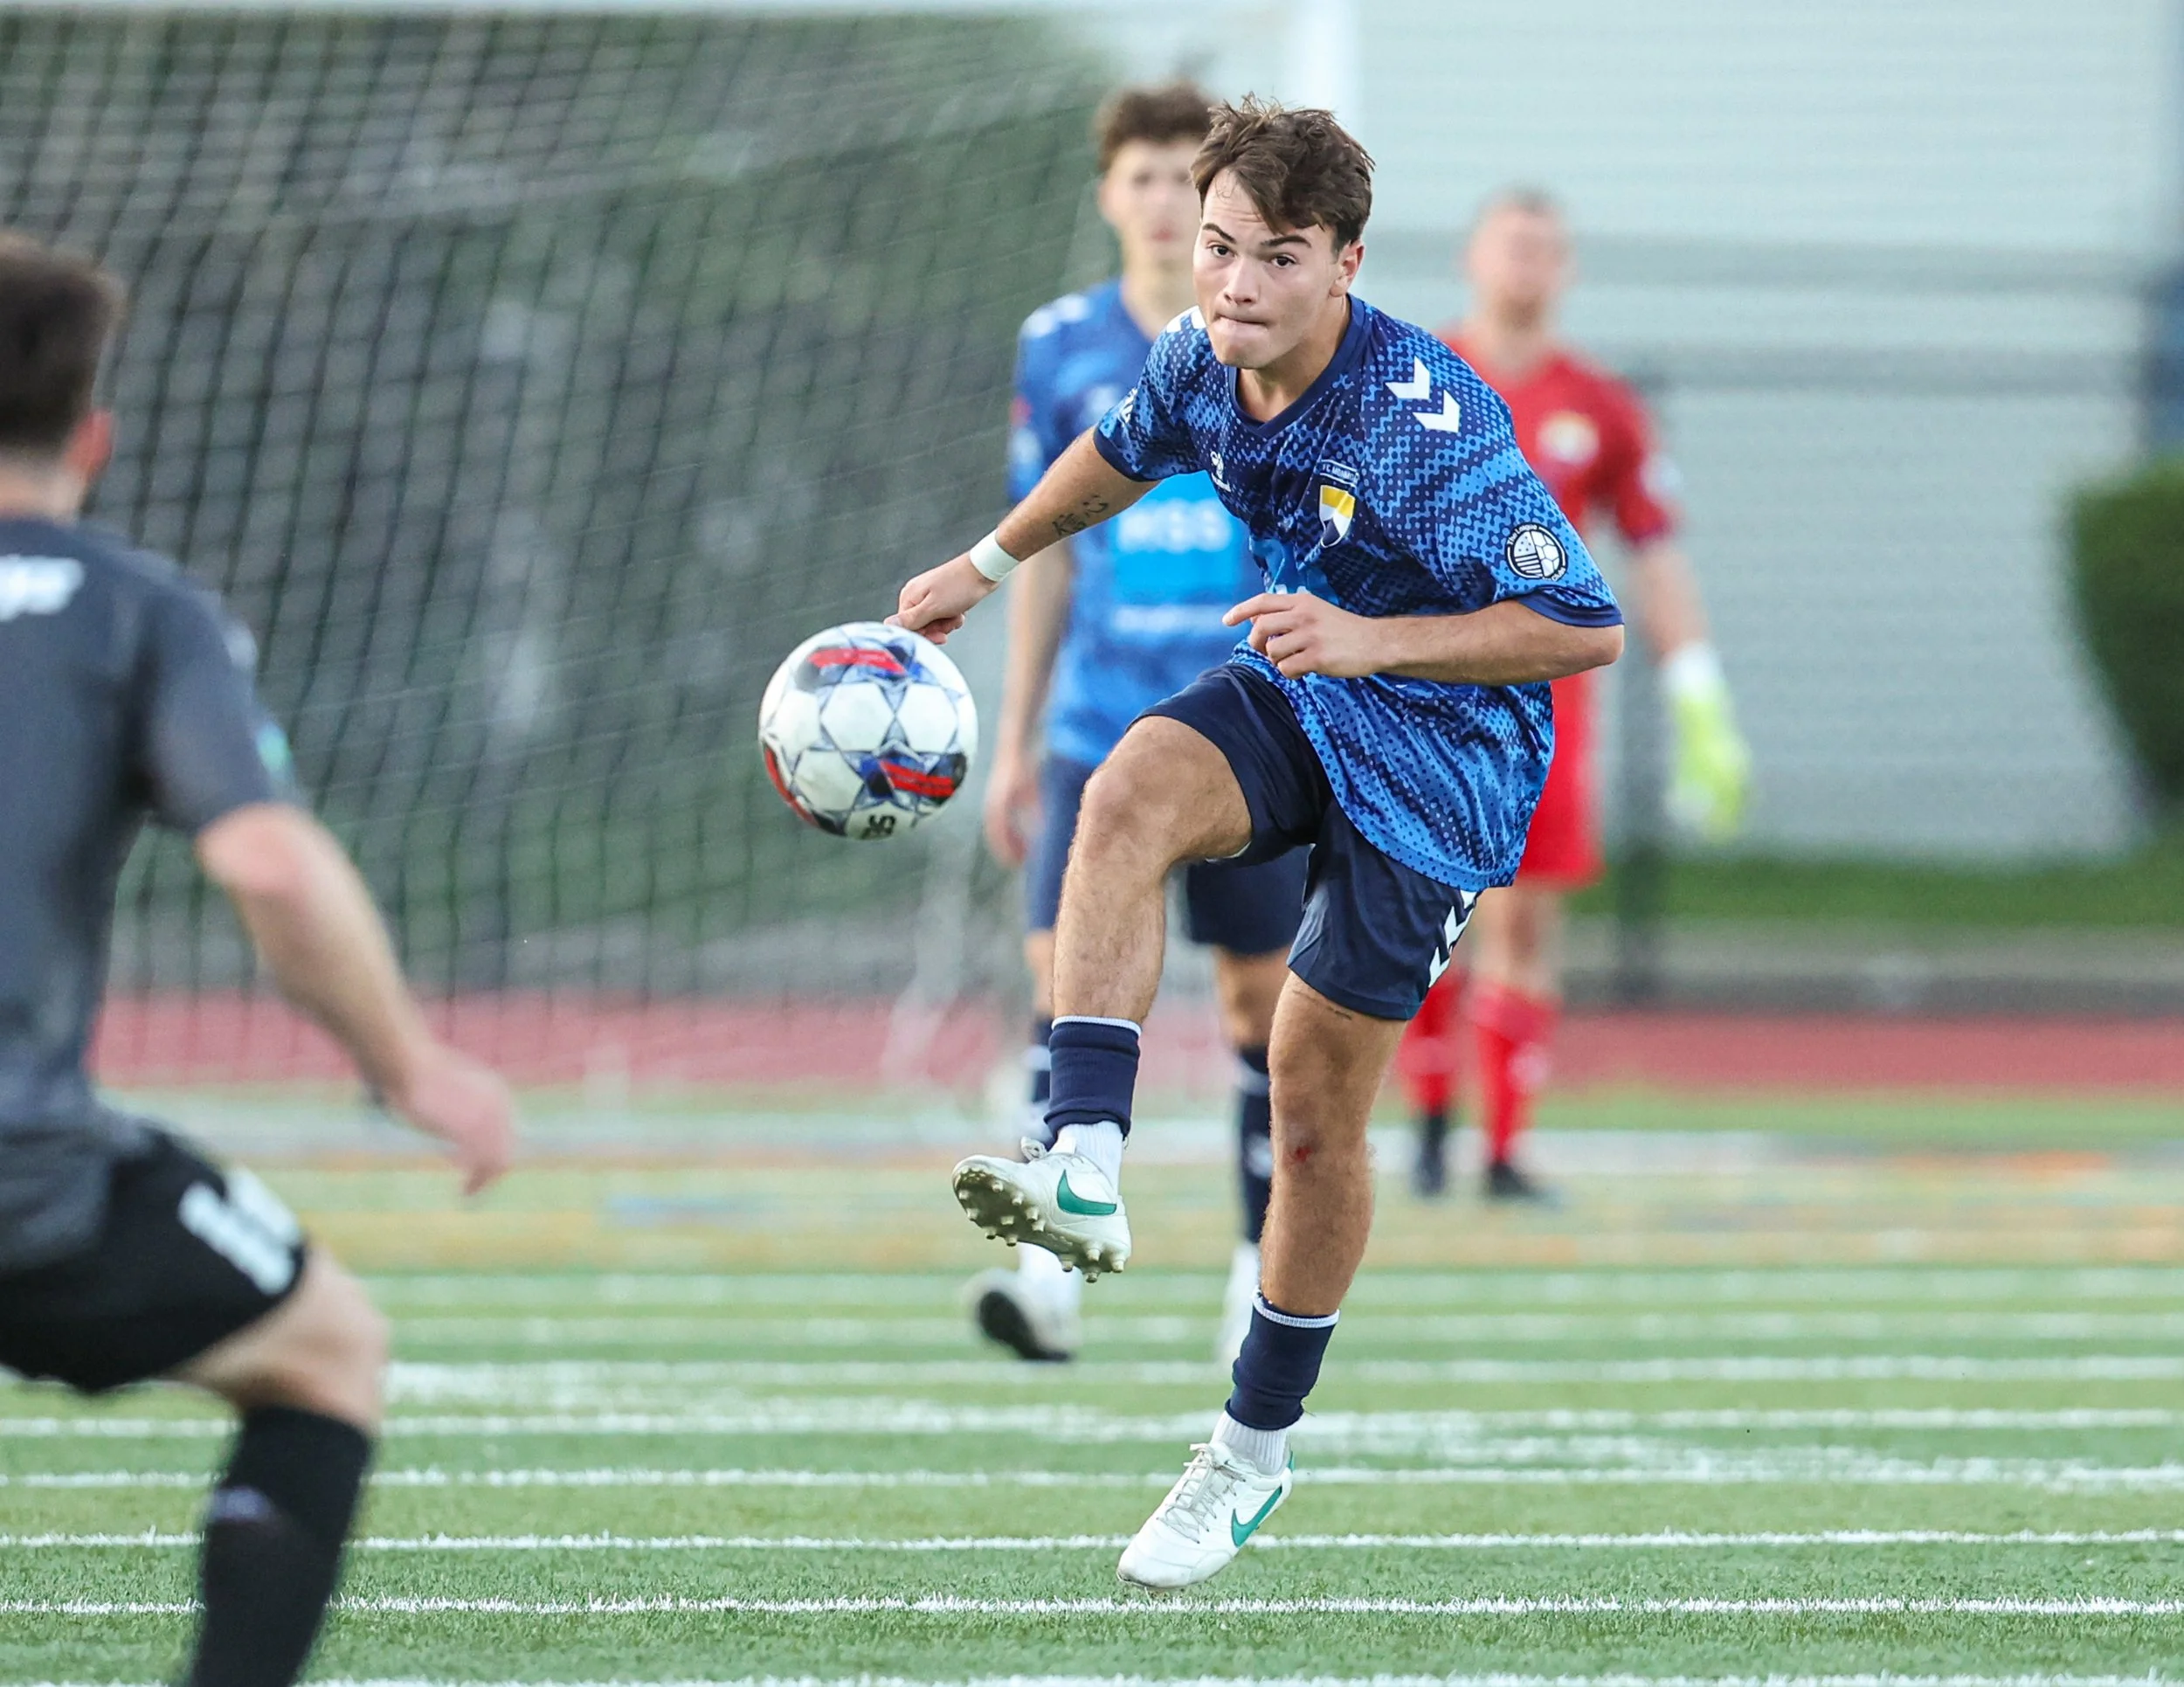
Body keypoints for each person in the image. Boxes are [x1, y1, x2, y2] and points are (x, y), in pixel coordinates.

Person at [892, 99, 1623, 1589]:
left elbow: (1581, 624)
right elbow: (1114, 453)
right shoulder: (1201, 359)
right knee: (1129, 794)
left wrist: (1373, 638)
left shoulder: (1428, 417)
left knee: (1308, 1106)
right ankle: (1084, 1152)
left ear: (1346, 263)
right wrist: (984, 565)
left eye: (1273, 258)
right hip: (1306, 689)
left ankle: (1249, 1454)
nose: (1229, 282)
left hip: (1444, 769)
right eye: (1219, 248)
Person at [0, 232, 517, 1687]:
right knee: (326, 1351)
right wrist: (410, 1067)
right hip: (23, 1179)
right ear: (92, 435)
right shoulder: (136, 612)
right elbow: (268, 861)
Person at [969, 81, 1305, 1367]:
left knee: (1258, 1008)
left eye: (1191, 180)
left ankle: (1252, 1272)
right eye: (1147, 178)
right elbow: (1047, 545)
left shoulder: (1272, 335)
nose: (1169, 203)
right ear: (1110, 193)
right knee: (1063, 994)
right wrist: (1013, 741)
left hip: (1244, 735)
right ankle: (1047, 1276)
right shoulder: (1059, 345)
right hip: (1096, 726)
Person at [1396, 190, 1751, 1203]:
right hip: (1430, 686)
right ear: (1473, 254)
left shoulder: (1596, 405)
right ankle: (1425, 1126)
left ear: (1569, 269)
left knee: (1528, 921)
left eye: (1548, 249)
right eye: (1514, 243)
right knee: (1427, 910)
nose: (1529, 263)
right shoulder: (1418, 376)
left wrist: (1698, 692)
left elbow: (1654, 550)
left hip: (1546, 703)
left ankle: (1503, 1148)